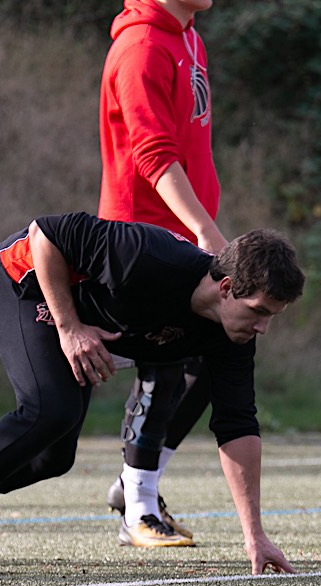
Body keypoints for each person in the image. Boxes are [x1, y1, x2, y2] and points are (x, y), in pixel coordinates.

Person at [0, 213, 304, 575]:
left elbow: (237, 427)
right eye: (258, 311)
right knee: (50, 410)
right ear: (227, 287)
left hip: (68, 309)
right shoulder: (148, 257)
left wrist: (255, 536)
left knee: (54, 458)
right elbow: (45, 235)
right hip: (24, 279)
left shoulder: (231, 337)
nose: (263, 328)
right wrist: (69, 327)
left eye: (272, 316)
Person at [96, 0, 225, 548]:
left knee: (210, 353)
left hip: (182, 232)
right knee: (167, 358)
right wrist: (204, 229)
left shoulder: (188, 35)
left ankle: (135, 485)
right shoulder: (142, 46)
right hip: (141, 235)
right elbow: (152, 154)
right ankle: (139, 510)